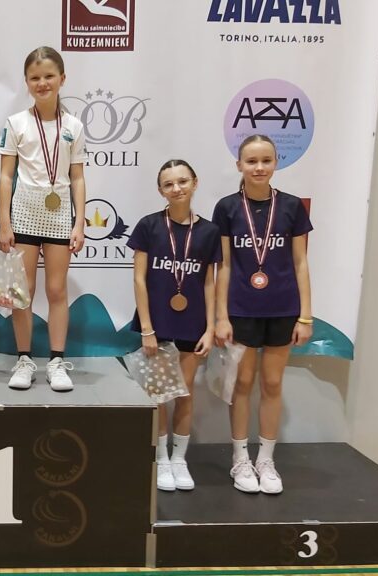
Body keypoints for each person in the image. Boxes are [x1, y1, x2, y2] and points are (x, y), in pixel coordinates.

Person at [212, 134, 313, 494]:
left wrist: (305, 316)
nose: (259, 167)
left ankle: (266, 460)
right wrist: (221, 317)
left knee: (272, 384)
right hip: (240, 311)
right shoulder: (227, 208)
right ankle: (240, 459)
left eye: (266, 160)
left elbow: (300, 263)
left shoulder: (291, 207)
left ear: (276, 163)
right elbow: (223, 266)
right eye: (251, 161)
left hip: (283, 309)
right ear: (239, 164)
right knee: (241, 384)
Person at [0, 46, 87, 392]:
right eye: (35, 77)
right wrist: (5, 223)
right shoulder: (16, 123)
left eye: (49, 76)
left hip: (60, 215)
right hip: (23, 216)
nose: (42, 83)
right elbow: (6, 176)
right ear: (26, 82)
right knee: (24, 291)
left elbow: (77, 177)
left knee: (57, 289)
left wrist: (79, 223)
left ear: (62, 78)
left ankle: (56, 361)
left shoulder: (73, 126)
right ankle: (24, 360)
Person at [130, 159, 220, 491]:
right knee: (159, 395)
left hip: (193, 325)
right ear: (160, 190)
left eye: (182, 181)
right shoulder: (149, 226)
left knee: (185, 393)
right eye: (168, 184)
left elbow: (209, 282)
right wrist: (147, 329)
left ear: (195, 183)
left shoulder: (209, 231)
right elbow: (139, 280)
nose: (176, 188)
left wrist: (210, 328)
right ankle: (161, 459)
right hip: (158, 324)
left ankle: (179, 459)